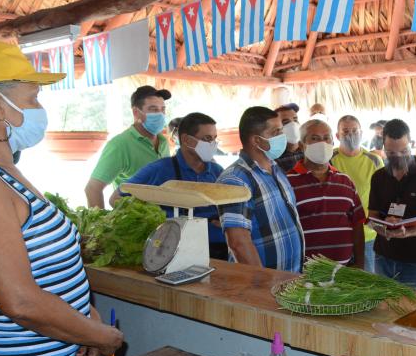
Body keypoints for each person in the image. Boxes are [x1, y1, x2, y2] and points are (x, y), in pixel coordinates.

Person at [0, 41, 123, 356]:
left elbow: (44, 267)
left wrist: (80, 322)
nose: (40, 109)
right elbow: (19, 302)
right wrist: (100, 337)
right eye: (33, 97)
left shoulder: (5, 171)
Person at [119, 113, 228, 260]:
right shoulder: (159, 169)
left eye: (215, 139)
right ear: (186, 139)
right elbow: (117, 198)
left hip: (219, 249)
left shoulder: (217, 171)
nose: (213, 144)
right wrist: (156, 219)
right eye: (207, 139)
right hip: (174, 251)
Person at [217, 107, 304, 272]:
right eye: (275, 132)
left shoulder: (276, 169)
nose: (282, 136)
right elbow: (238, 243)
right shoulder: (235, 179)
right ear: (256, 140)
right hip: (262, 286)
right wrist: (262, 284)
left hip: (289, 280)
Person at [287, 120, 366, 266]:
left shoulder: (346, 182)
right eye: (315, 138)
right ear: (302, 144)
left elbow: (357, 225)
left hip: (345, 272)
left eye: (326, 138)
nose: (322, 143)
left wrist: (360, 265)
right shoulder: (287, 182)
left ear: (333, 142)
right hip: (304, 275)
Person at [368, 120, 416, 292]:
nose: (398, 157)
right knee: (383, 308)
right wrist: (383, 228)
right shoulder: (378, 177)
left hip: (414, 259)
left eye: (403, 151)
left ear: (412, 143)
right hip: (383, 256)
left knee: (415, 312)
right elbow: (372, 217)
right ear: (383, 148)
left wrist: (408, 232)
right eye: (391, 153)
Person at [85, 85, 171, 208]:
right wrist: (101, 223)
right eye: (153, 109)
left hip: (163, 219)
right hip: (134, 222)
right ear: (136, 112)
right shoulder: (119, 145)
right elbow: (92, 189)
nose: (160, 114)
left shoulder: (163, 142)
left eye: (163, 109)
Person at [331, 115, 384, 273]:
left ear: (361, 133)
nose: (350, 134)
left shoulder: (374, 160)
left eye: (354, 130)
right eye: (345, 131)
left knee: (368, 284)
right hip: (339, 235)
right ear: (337, 135)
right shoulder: (329, 159)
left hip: (368, 235)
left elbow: (382, 196)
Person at [275, 103, 304, 173]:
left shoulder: (310, 151)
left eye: (295, 120)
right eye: (285, 122)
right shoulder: (273, 160)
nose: (293, 125)